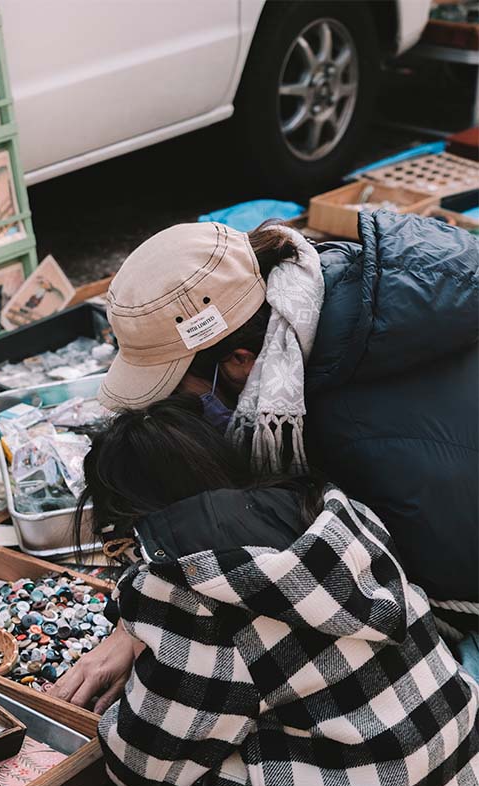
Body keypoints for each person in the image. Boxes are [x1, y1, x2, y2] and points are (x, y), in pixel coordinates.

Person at [79, 397, 479, 786]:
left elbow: (146, 769)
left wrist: (130, 688)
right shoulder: (336, 514)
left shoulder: (189, 598)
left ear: (128, 520)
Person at [50, 211, 478, 711]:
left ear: (239, 360)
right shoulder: (327, 295)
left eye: (174, 392)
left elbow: (336, 581)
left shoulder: (340, 430)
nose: (170, 414)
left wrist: (156, 618)